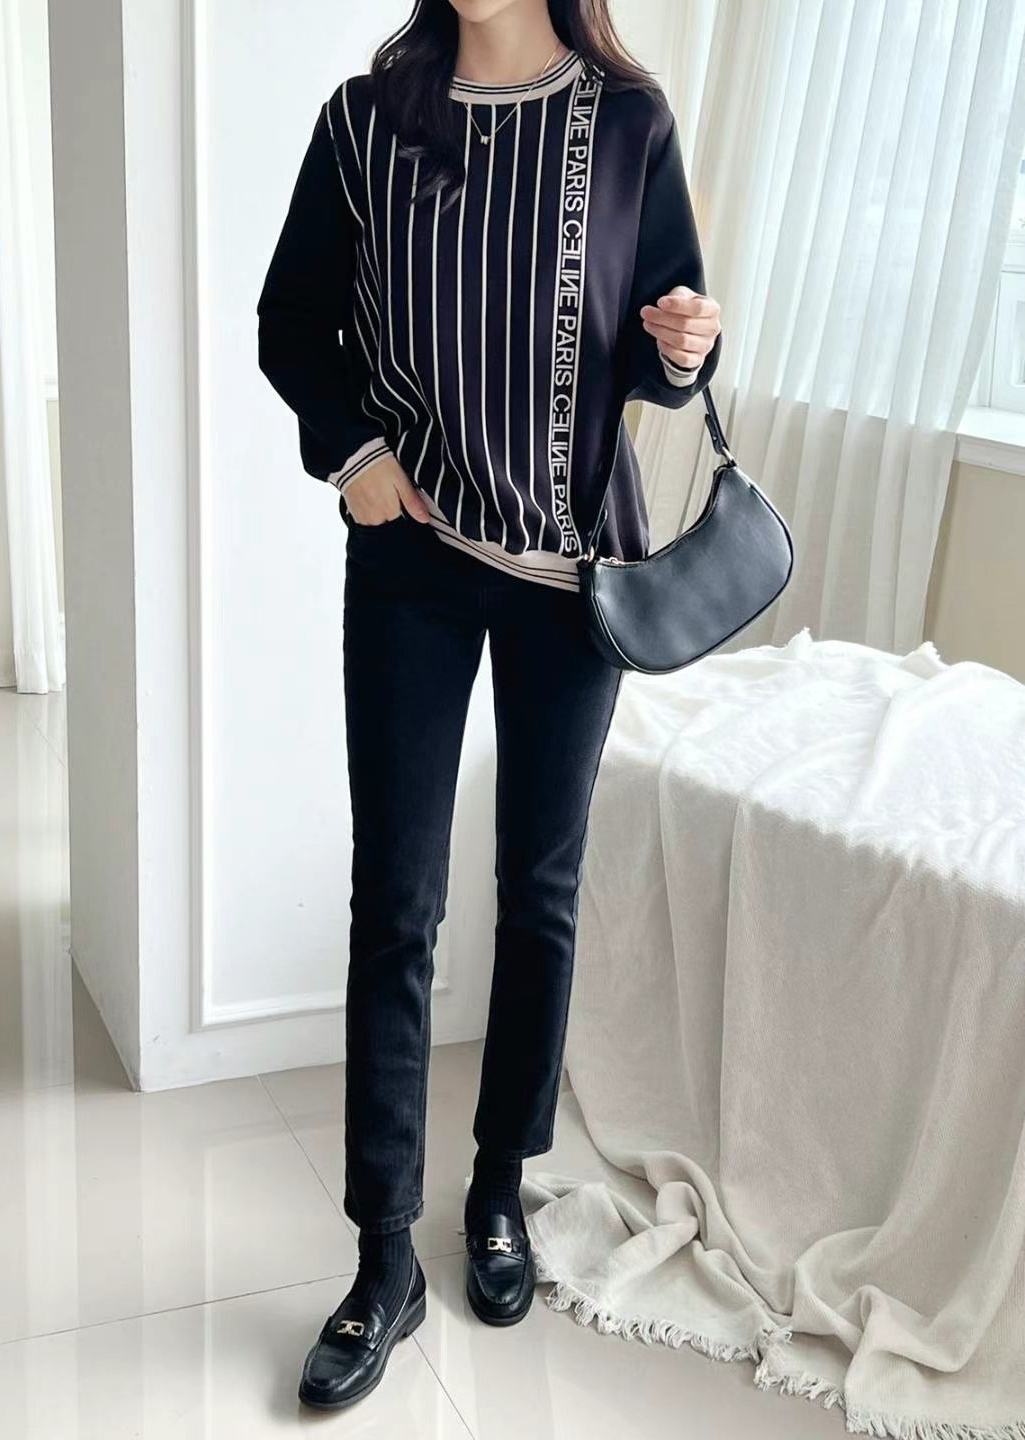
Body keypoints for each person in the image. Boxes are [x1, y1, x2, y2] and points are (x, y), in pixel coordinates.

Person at [257, 0, 721, 1411]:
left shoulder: (629, 124)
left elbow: (661, 350)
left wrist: (685, 346)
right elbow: (292, 323)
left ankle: (499, 1190)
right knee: (395, 903)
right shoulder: (367, 119)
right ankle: (381, 1256)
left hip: (572, 576)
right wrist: (353, 454)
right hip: (412, 562)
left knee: (542, 892)